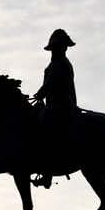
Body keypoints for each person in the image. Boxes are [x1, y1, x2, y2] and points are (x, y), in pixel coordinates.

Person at [32, 29, 78, 187]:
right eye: (55, 47)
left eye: (59, 47)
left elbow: (52, 83)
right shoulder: (54, 63)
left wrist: (41, 92)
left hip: (62, 106)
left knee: (44, 125)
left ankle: (47, 173)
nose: (57, 50)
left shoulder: (61, 64)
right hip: (54, 104)